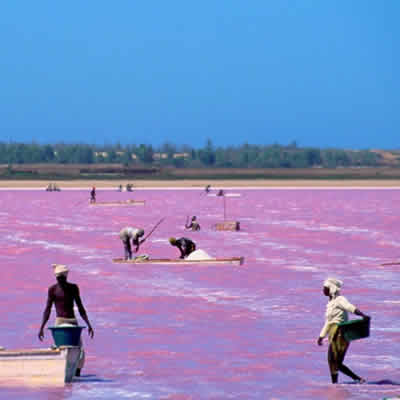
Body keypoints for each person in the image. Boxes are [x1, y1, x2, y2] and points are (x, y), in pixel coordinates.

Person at [38, 264, 94, 377]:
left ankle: (77, 374)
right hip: (59, 322)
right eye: (58, 278)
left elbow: (80, 306)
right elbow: (48, 309)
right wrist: (41, 327)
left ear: (66, 277)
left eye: (62, 278)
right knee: (59, 348)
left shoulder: (73, 288)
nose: (60, 280)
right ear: (56, 278)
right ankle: (59, 372)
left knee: (79, 349)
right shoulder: (52, 289)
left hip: (72, 321)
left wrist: (89, 324)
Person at [317, 278, 370, 384]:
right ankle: (337, 384)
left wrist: (362, 315)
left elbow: (350, 307)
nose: (323, 290)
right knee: (333, 361)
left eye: (325, 288)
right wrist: (321, 336)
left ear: (331, 289)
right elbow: (328, 322)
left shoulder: (340, 299)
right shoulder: (331, 303)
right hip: (334, 333)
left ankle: (357, 379)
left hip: (341, 333)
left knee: (334, 361)